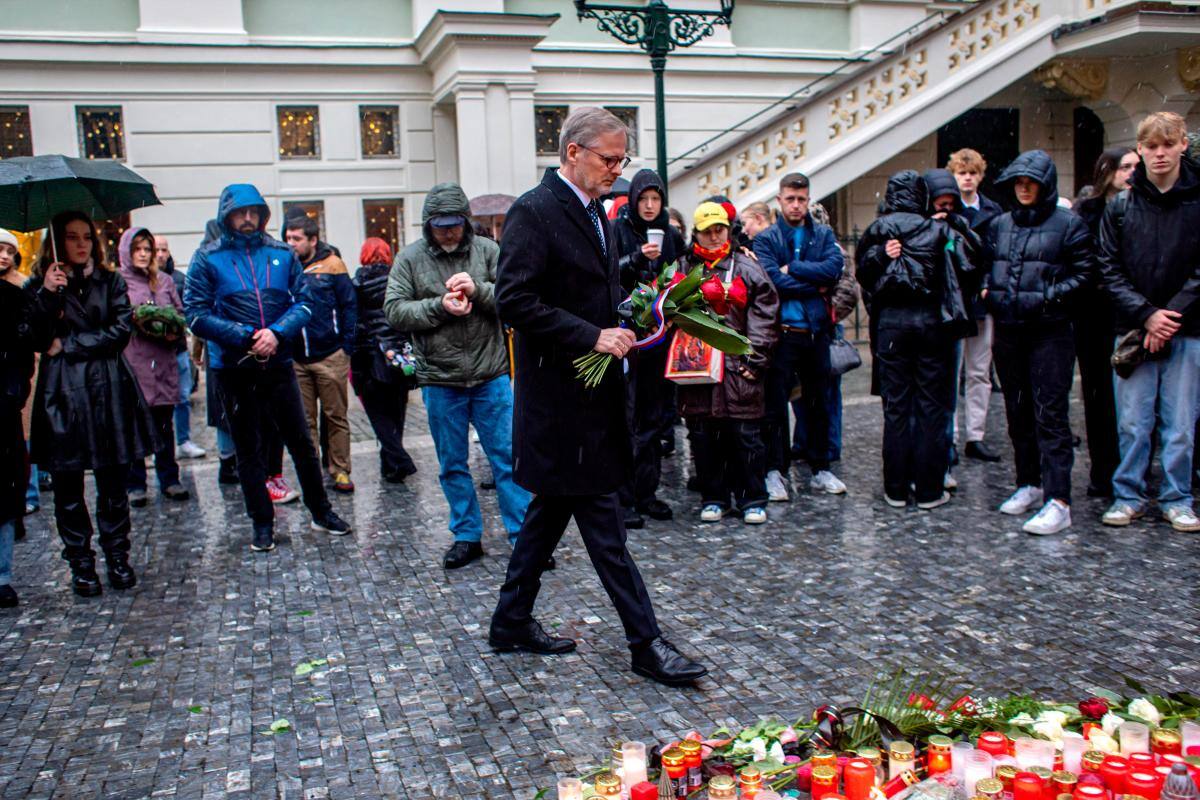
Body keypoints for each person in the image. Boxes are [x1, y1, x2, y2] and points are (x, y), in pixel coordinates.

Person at [489, 106, 707, 687]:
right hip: (562, 405)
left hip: (597, 394)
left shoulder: (598, 214)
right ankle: (646, 642)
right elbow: (514, 300)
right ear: (573, 153)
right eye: (610, 159)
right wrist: (591, 335)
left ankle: (511, 620)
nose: (618, 170)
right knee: (607, 531)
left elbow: (595, 292)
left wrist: (638, 312)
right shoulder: (533, 212)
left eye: (622, 159)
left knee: (546, 516)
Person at [184, 185, 351, 552]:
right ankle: (262, 522)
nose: (247, 219)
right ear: (226, 215)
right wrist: (244, 337)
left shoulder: (280, 254)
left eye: (254, 212)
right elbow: (195, 314)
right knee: (248, 450)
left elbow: (304, 303)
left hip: (278, 363)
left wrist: (276, 333)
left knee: (301, 443)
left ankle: (321, 511)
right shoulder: (207, 258)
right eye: (239, 213)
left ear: (263, 215)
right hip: (233, 367)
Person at [385, 182, 530, 569]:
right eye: (440, 225)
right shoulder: (410, 259)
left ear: (466, 221)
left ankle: (523, 536)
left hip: (491, 375)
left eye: (454, 224)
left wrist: (479, 290)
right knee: (452, 463)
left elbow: (515, 298)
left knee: (507, 458)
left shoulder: (488, 251)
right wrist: (439, 306)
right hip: (439, 379)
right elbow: (395, 310)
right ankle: (467, 535)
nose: (448, 232)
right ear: (428, 224)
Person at [29, 212, 158, 595]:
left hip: (108, 390)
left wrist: (68, 345)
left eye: (87, 236)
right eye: (71, 237)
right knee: (68, 488)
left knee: (113, 482)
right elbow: (35, 337)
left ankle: (118, 557)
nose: (81, 244)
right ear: (57, 241)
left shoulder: (111, 280)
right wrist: (48, 296)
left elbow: (119, 331)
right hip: (63, 393)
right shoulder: (42, 286)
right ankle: (81, 565)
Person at [1098, 112, 1200, 532]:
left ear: (1182, 146)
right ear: (1140, 150)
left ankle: (1177, 497)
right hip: (1134, 327)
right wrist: (1147, 315)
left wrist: (1168, 315)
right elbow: (1108, 268)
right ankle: (1129, 494)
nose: (1160, 153)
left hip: (1187, 327)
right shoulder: (1121, 206)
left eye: (1167, 144)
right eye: (1152, 146)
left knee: (1180, 423)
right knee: (1134, 423)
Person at [985, 150, 1095, 535]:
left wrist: (1047, 297)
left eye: (1030, 182)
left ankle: (1058, 497)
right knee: (1018, 413)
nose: (1024, 188)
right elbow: (987, 264)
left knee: (1051, 414)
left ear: (1045, 185)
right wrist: (989, 292)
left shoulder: (1069, 225)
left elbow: (1085, 275)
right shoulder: (1000, 225)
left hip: (1050, 332)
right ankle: (1028, 482)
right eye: (1018, 182)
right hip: (1010, 329)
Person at [856, 171, 977, 509]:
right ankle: (928, 489)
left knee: (896, 409)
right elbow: (968, 265)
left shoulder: (877, 230)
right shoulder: (938, 230)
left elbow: (863, 274)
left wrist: (883, 255)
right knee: (930, 408)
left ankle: (895, 487)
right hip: (930, 324)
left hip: (891, 325)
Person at [677, 202, 779, 524]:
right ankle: (714, 496)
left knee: (746, 436)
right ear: (696, 233)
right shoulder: (683, 266)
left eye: (719, 228)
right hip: (698, 367)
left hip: (738, 368)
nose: (713, 235)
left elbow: (765, 315)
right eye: (707, 230)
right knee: (704, 437)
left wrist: (755, 358)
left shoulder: (746, 267)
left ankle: (753, 499)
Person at [753, 172, 847, 500]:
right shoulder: (766, 239)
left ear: (809, 200)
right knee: (775, 405)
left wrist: (793, 270)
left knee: (818, 402)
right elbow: (771, 281)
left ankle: (821, 467)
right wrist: (812, 282)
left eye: (801, 199)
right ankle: (774, 469)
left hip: (815, 331)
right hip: (781, 333)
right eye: (790, 199)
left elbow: (833, 271)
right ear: (779, 200)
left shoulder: (821, 234)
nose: (796, 205)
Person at [612, 168, 685, 527]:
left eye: (656, 200)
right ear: (635, 200)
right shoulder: (619, 230)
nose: (651, 206)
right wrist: (637, 259)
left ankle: (647, 492)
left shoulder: (670, 234)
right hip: (628, 335)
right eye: (645, 199)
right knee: (627, 418)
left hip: (660, 335)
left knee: (655, 418)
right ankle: (623, 498)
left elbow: (680, 273)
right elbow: (609, 272)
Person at [1072, 147, 1138, 498]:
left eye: (1134, 167)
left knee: (1134, 400)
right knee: (1098, 398)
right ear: (1108, 171)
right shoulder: (1088, 212)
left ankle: (1133, 471)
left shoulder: (1145, 206)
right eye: (1124, 167)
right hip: (1095, 315)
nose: (1131, 173)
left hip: (1132, 312)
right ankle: (1104, 470)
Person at [283, 215, 357, 494]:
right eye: (288, 238)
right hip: (297, 358)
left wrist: (345, 348)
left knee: (335, 417)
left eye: (297, 239)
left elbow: (349, 307)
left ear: (312, 240)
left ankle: (340, 470)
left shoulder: (333, 265)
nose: (291, 244)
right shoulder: (286, 267)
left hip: (330, 355)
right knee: (304, 422)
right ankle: (311, 473)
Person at [119, 227, 191, 506]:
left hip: (162, 364)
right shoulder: (119, 281)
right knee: (135, 426)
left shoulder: (163, 281)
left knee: (164, 426)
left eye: (147, 249)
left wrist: (173, 329)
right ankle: (135, 483)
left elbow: (179, 313)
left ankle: (169, 479)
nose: (143, 254)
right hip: (134, 364)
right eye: (137, 248)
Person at [789, 201, 858, 466]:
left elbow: (847, 291)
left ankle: (829, 446)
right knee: (800, 392)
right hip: (800, 327)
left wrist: (826, 314)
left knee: (827, 393)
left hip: (824, 328)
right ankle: (803, 442)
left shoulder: (833, 250)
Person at [947, 148, 1004, 464]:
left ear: (980, 176)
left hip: (980, 301)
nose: (967, 178)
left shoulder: (993, 211)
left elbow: (996, 255)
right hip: (956, 301)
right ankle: (952, 435)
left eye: (972, 173)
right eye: (961, 173)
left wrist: (987, 285)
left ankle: (975, 435)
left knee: (980, 372)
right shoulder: (947, 211)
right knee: (952, 371)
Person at [0, 230, 46, 607]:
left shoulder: (19, 294)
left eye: (6, 249)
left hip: (6, 402)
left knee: (6, 485)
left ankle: (2, 574)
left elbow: (33, 339)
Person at [352, 237, 417, 484]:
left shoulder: (356, 283)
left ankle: (398, 459)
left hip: (370, 358)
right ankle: (390, 465)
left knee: (377, 413)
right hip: (400, 355)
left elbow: (356, 324)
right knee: (397, 410)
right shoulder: (398, 279)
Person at [156, 236, 206, 461]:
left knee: (182, 398)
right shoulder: (139, 282)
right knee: (158, 403)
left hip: (177, 350)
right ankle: (159, 446)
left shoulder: (179, 279)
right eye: (155, 249)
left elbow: (189, 310)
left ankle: (183, 440)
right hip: (153, 355)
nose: (159, 254)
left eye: (163, 249)